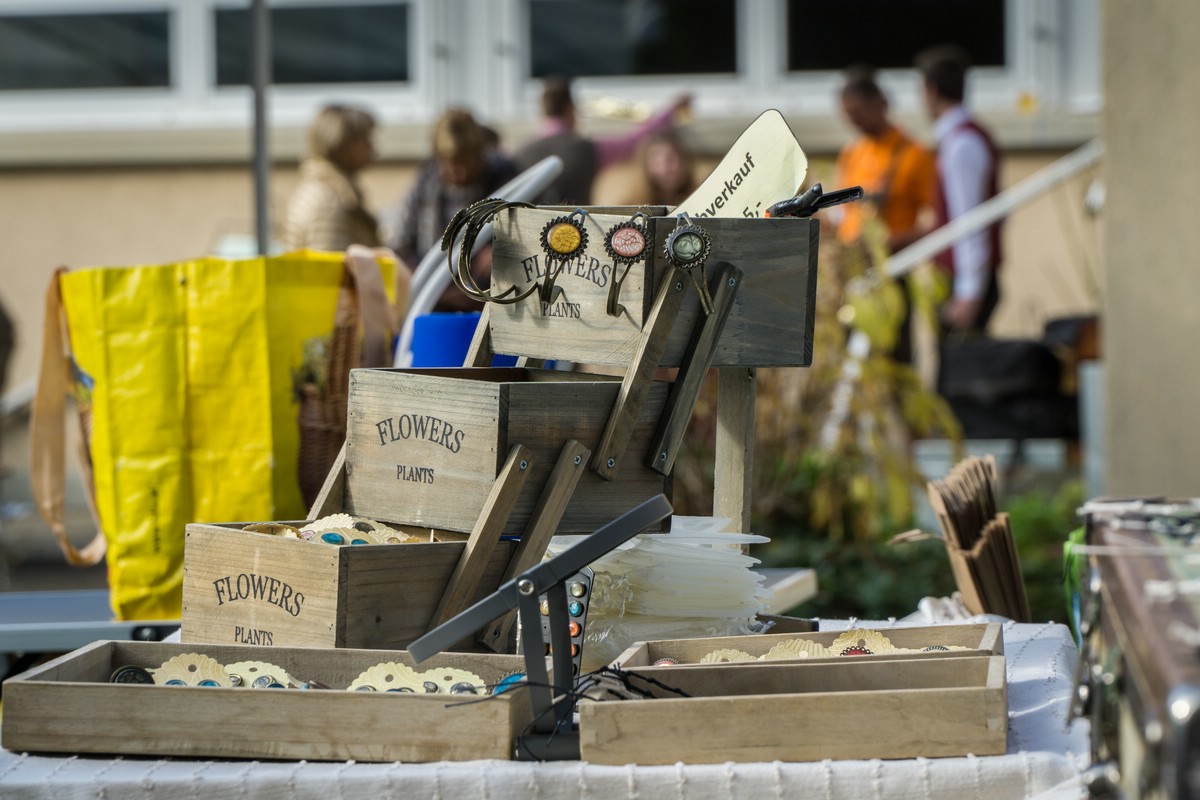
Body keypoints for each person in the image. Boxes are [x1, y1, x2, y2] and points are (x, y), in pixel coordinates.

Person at [387, 107, 517, 311]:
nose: (460, 171)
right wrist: (428, 285)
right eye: (451, 163)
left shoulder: (506, 180)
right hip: (432, 296)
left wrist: (501, 248)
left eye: (466, 161)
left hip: (489, 300)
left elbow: (527, 236)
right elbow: (399, 246)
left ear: (481, 154)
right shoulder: (427, 183)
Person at [918, 46, 1003, 334]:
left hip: (963, 281)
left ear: (931, 90)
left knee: (962, 372)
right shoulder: (962, 137)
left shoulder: (961, 143)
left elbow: (969, 218)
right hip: (963, 276)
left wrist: (968, 290)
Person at [513, 76, 692, 206]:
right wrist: (672, 110)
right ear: (570, 110)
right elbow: (634, 141)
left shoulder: (519, 153)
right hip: (574, 238)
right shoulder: (588, 149)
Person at [833, 68, 936, 253]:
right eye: (849, 115)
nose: (854, 122)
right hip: (852, 261)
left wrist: (894, 241)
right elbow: (843, 213)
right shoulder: (851, 152)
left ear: (880, 103)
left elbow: (936, 220)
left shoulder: (914, 154)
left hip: (896, 262)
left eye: (858, 113)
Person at [283, 104, 381, 251]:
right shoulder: (330, 198)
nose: (372, 147)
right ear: (342, 144)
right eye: (365, 139)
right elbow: (327, 262)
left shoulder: (327, 186)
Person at [639, 129, 697, 208]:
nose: (665, 169)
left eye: (671, 159)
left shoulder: (698, 202)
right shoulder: (634, 204)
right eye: (656, 161)